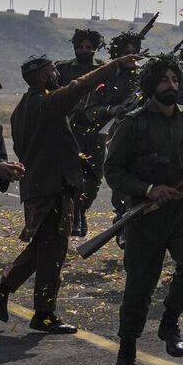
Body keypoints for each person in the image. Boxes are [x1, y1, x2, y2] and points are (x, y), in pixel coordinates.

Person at [2, 49, 138, 330]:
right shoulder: (48, 103)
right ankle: (44, 315)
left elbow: (22, 147)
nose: (58, 76)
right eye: (53, 71)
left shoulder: (20, 110)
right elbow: (81, 85)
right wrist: (115, 64)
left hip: (38, 187)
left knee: (42, 247)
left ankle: (3, 289)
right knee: (53, 253)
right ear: (42, 76)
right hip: (53, 189)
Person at [102, 56, 183, 365]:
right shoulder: (133, 123)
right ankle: (127, 354)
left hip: (181, 211)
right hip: (145, 216)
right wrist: (148, 189)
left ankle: (170, 321)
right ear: (151, 86)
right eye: (164, 80)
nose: (172, 85)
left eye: (175, 80)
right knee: (138, 289)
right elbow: (113, 171)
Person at [55, 27, 107, 237]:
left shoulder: (105, 69)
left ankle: (81, 210)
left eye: (89, 47)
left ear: (95, 48)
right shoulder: (64, 70)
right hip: (70, 130)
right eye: (81, 47)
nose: (85, 50)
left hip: (96, 130)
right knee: (73, 173)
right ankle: (74, 213)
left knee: (94, 176)